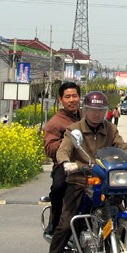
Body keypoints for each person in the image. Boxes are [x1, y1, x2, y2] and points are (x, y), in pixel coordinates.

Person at [40, 90, 127, 253]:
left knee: (118, 206)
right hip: (80, 178)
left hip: (104, 178)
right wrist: (66, 163)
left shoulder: (110, 129)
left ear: (105, 111)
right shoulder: (74, 129)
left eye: (101, 110)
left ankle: (118, 242)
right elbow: (63, 150)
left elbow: (122, 146)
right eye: (93, 110)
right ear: (86, 110)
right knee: (66, 220)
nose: (97, 114)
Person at [40, 82, 82, 238]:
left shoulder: (88, 117)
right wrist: (68, 144)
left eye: (75, 96)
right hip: (65, 165)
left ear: (80, 97)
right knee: (58, 187)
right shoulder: (55, 122)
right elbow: (50, 148)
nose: (72, 100)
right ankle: (55, 221)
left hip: (88, 164)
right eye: (68, 97)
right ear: (61, 100)